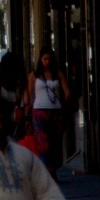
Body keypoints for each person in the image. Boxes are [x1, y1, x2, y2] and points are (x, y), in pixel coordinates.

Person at [27, 47, 70, 178]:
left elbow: (66, 90)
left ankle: (52, 170)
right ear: (40, 60)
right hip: (39, 110)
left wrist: (67, 96)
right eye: (45, 59)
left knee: (55, 142)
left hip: (56, 111)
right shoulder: (34, 75)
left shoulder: (58, 74)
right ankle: (46, 172)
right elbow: (31, 96)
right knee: (43, 142)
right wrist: (27, 112)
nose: (47, 62)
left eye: (49, 59)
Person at [0, 52, 29, 139]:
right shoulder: (21, 79)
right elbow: (26, 101)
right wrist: (26, 118)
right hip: (17, 117)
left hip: (2, 116)